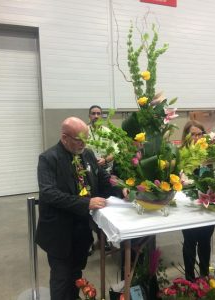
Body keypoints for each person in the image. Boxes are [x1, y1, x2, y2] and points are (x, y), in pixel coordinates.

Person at [35, 117, 128, 300]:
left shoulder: (88, 154)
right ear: (64, 138)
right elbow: (49, 194)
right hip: (59, 233)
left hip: (81, 231)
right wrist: (86, 203)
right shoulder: (48, 159)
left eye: (87, 139)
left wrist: (122, 189)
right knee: (62, 279)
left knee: (76, 275)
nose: (84, 144)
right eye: (80, 140)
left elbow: (103, 180)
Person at [181, 120, 215, 281]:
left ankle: (204, 277)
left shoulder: (211, 154)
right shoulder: (182, 154)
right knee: (189, 241)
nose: (196, 137)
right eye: (192, 134)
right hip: (189, 206)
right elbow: (180, 179)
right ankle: (189, 280)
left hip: (208, 204)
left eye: (199, 134)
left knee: (205, 241)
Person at [88, 105, 114, 173]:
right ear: (89, 116)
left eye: (98, 114)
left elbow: (115, 152)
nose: (96, 116)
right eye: (93, 113)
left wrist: (105, 160)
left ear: (101, 116)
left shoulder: (108, 132)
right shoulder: (84, 131)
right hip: (88, 169)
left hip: (105, 168)